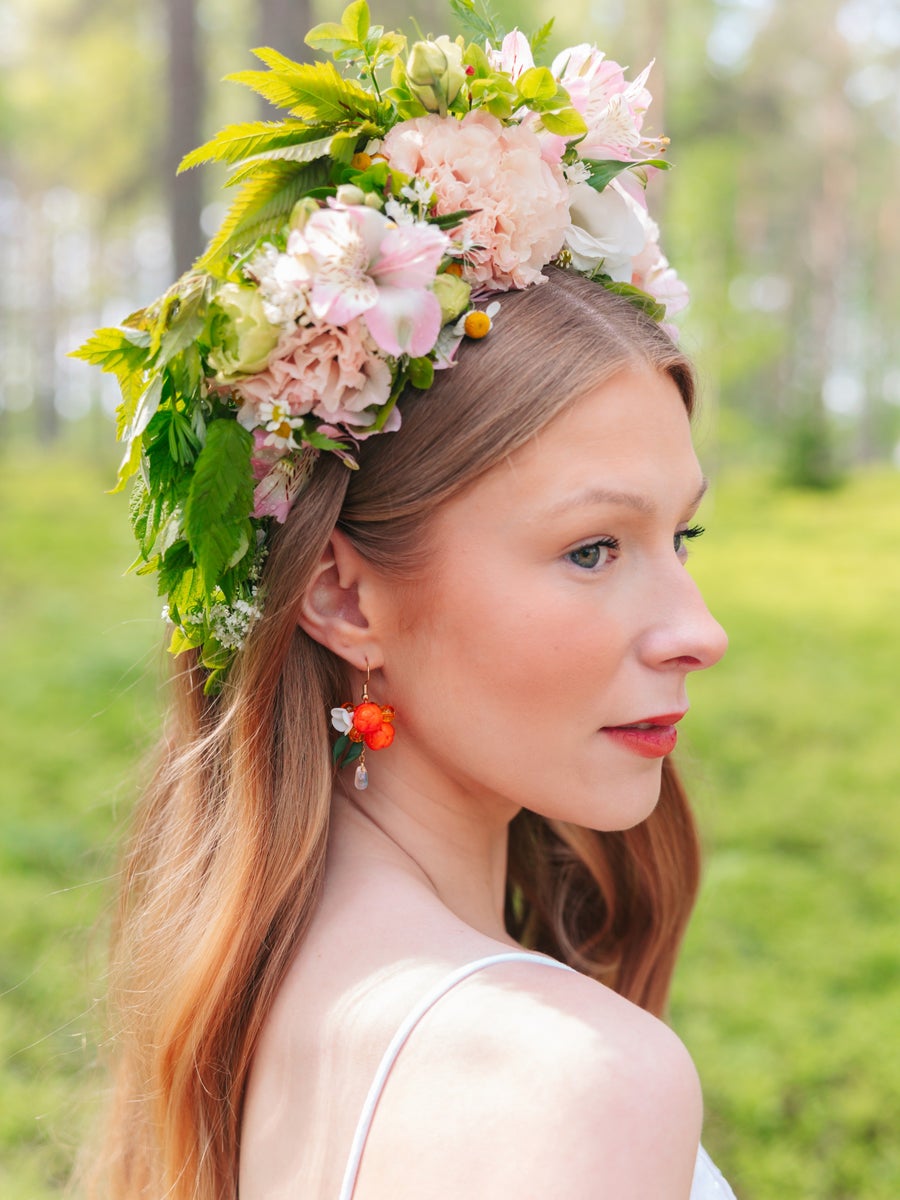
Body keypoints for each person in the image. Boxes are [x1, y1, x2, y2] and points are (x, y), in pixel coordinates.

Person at [78, 8, 737, 1198]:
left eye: (679, 537)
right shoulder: (575, 1080)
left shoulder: (235, 1005)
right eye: (593, 549)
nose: (700, 632)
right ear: (342, 596)